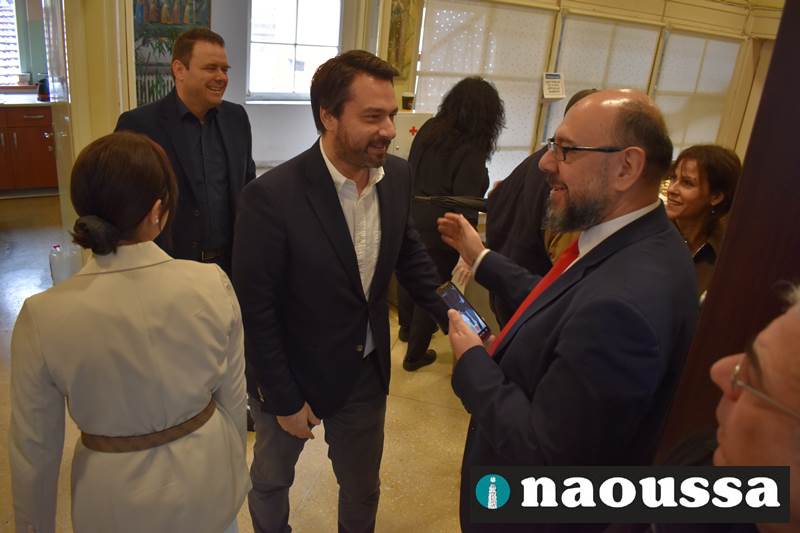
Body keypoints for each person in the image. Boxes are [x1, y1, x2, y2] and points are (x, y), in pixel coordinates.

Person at [439, 89, 699, 532]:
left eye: (567, 150)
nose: (545, 163)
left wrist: (474, 364)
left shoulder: (623, 307)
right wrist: (481, 258)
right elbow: (560, 298)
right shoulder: (638, 241)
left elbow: (546, 458)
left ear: (627, 167)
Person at [232, 50, 449, 533]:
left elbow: (411, 256)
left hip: (364, 372)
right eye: (372, 117)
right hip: (292, 374)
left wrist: (458, 318)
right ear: (328, 116)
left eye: (390, 115)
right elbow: (257, 311)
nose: (389, 130)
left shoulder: (397, 178)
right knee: (271, 481)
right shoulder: (271, 197)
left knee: (362, 488)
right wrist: (284, 400)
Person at [9, 131, 249, 533]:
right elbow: (234, 397)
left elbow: (33, 449)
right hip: (208, 481)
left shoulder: (43, 315)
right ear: (157, 211)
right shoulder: (212, 284)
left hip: (111, 499)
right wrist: (232, 466)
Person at [115, 27, 256, 274]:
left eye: (224, 69)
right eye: (211, 68)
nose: (221, 77)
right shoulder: (139, 125)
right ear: (179, 70)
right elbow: (122, 202)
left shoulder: (237, 118)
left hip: (230, 266)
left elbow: (247, 186)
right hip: (167, 268)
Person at [396, 76, 504, 371]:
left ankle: (406, 329)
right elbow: (466, 201)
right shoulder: (471, 147)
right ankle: (415, 355)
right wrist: (467, 249)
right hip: (441, 225)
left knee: (409, 273)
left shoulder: (430, 128)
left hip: (410, 212)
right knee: (434, 287)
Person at [484, 88, 596, 326]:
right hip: (530, 299)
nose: (548, 163)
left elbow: (495, 201)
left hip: (503, 287)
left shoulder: (534, 161)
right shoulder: (566, 183)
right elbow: (564, 270)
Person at [665, 144, 741, 301]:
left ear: (716, 197)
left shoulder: (727, 252)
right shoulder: (651, 232)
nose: (671, 189)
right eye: (673, 178)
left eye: (687, 183)